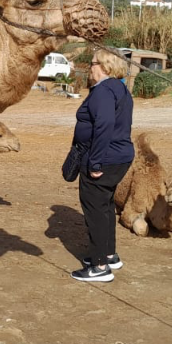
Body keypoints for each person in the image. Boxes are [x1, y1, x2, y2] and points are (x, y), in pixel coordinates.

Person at [70, 48, 135, 282]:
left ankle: (98, 267)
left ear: (106, 66)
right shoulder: (120, 89)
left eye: (93, 63)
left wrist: (95, 162)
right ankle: (108, 254)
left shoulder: (104, 91)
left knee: (95, 209)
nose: (91, 67)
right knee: (105, 205)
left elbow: (104, 125)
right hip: (118, 157)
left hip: (104, 158)